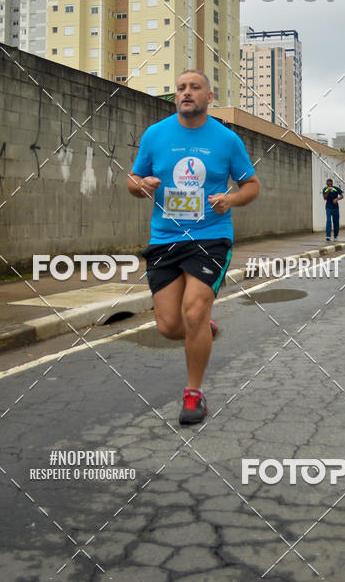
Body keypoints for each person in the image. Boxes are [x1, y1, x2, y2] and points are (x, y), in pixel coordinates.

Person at [127, 70, 260, 425]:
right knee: (169, 327)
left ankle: (193, 394)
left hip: (211, 237)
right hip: (165, 239)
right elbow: (132, 180)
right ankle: (205, 330)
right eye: (181, 88)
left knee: (193, 312)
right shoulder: (155, 135)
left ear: (209, 96)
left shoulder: (227, 140)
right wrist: (144, 184)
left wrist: (230, 199)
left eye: (194, 88)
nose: (186, 93)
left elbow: (251, 185)